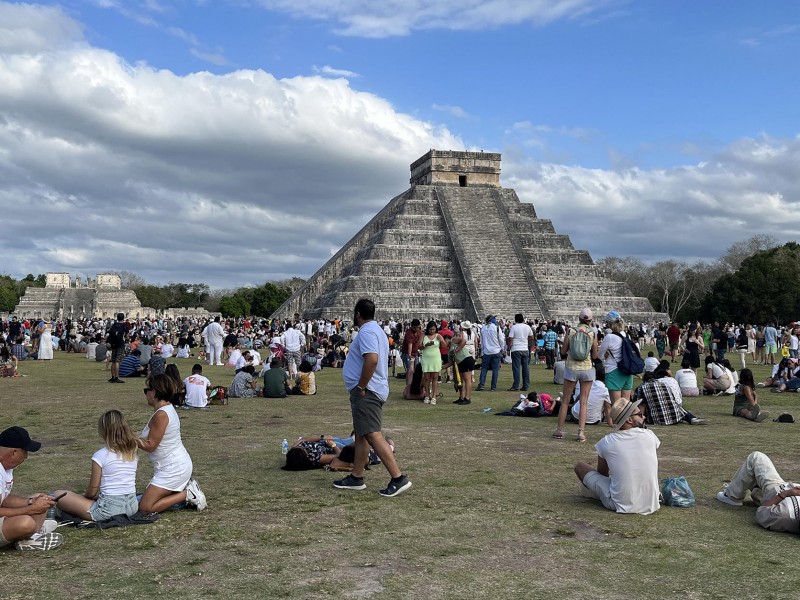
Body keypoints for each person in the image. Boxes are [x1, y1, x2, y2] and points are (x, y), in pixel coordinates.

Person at [333, 298, 411, 497]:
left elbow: (372, 360)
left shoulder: (367, 331)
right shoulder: (378, 331)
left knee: (372, 434)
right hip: (372, 389)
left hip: (367, 391)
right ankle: (356, 477)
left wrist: (361, 385)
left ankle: (398, 477)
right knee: (362, 434)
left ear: (358, 314)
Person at [574, 397, 660, 515]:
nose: (644, 416)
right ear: (629, 419)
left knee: (580, 466)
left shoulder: (606, 442)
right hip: (651, 503)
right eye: (640, 414)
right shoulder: (650, 435)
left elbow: (602, 474)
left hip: (619, 504)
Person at [137, 374, 206, 512]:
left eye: (147, 390)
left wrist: (128, 439)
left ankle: (187, 494)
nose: (146, 394)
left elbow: (150, 445)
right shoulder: (166, 409)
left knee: (145, 507)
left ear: (154, 392)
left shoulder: (161, 414)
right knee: (148, 501)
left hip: (174, 468)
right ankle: (182, 492)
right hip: (173, 466)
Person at [53, 410, 139, 521]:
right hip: (132, 506)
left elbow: (92, 492)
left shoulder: (100, 455)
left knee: (58, 495)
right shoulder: (133, 452)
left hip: (109, 510)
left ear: (103, 431)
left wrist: (84, 498)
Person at [0, 426, 64, 550]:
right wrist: (31, 509)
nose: (26, 456)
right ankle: (30, 534)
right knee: (26, 523)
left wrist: (31, 502)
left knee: (41, 498)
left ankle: (32, 535)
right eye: (25, 452)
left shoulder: (6, 467)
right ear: (14, 452)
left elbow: (4, 499)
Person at [716, 451, 800, 534]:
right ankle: (757, 491)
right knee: (756, 492)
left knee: (756, 457)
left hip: (777, 490)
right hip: (786, 488)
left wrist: (785, 494)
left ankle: (732, 496)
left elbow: (762, 511)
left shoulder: (783, 515)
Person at [554, 307, 598, 442]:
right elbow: (595, 355)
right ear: (591, 320)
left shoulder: (571, 331)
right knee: (584, 401)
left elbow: (563, 351)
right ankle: (581, 433)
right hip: (587, 369)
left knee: (566, 400)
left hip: (571, 368)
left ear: (578, 319)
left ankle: (560, 430)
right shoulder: (592, 333)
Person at [598, 310, 633, 402]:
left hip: (614, 370)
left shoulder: (609, 337)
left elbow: (600, 355)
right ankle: (626, 418)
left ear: (610, 324)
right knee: (626, 404)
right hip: (627, 370)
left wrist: (606, 356)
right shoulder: (626, 335)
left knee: (616, 406)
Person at [507, 313, 534, 391]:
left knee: (516, 368)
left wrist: (509, 348)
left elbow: (511, 338)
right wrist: (525, 340)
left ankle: (516, 385)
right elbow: (532, 337)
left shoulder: (514, 327)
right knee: (525, 368)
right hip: (524, 348)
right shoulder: (527, 327)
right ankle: (526, 385)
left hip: (516, 348)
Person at [477, 315, 505, 391]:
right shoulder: (496, 328)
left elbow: (482, 342)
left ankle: (481, 385)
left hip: (486, 351)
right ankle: (493, 387)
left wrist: (482, 352)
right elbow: (501, 340)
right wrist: (502, 348)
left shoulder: (483, 328)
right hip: (496, 350)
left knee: (484, 368)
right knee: (495, 369)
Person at [419, 321, 444, 405]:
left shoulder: (438, 336)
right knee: (426, 377)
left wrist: (441, 340)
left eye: (433, 329)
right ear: (428, 329)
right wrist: (426, 345)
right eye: (430, 329)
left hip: (435, 358)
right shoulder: (424, 336)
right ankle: (427, 395)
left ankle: (433, 396)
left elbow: (444, 346)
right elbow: (419, 346)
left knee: (435, 377)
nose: (432, 331)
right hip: (426, 358)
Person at [107, 313, 127, 384]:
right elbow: (127, 335)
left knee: (114, 360)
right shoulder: (124, 326)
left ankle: (112, 376)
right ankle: (116, 377)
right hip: (120, 344)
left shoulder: (114, 325)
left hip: (114, 344)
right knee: (117, 361)